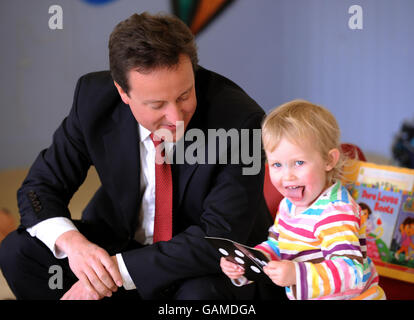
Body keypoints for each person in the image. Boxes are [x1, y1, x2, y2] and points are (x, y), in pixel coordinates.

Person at [0, 12, 274, 300]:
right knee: (18, 251)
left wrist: (116, 271)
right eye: (157, 104)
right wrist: (74, 245)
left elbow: (218, 237)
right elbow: (40, 188)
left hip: (203, 265)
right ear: (123, 92)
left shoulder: (241, 120)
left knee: (201, 295)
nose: (175, 117)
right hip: (119, 240)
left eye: (184, 95)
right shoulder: (93, 99)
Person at [220, 99, 386, 300]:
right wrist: (247, 262)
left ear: (328, 160)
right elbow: (278, 246)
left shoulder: (335, 211)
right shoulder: (288, 206)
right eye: (276, 165)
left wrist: (297, 274)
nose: (287, 176)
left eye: (298, 163)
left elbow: (352, 273)